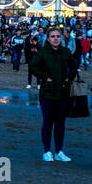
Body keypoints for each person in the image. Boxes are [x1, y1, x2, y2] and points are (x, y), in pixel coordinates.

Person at [29, 26, 78, 162]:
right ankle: (47, 151)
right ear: (48, 39)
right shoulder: (43, 52)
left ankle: (59, 151)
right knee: (48, 122)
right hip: (47, 92)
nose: (56, 39)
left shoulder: (66, 51)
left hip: (63, 91)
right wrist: (45, 77)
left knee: (60, 123)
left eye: (58, 36)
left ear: (61, 38)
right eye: (53, 36)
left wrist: (69, 78)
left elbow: (74, 66)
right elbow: (33, 66)